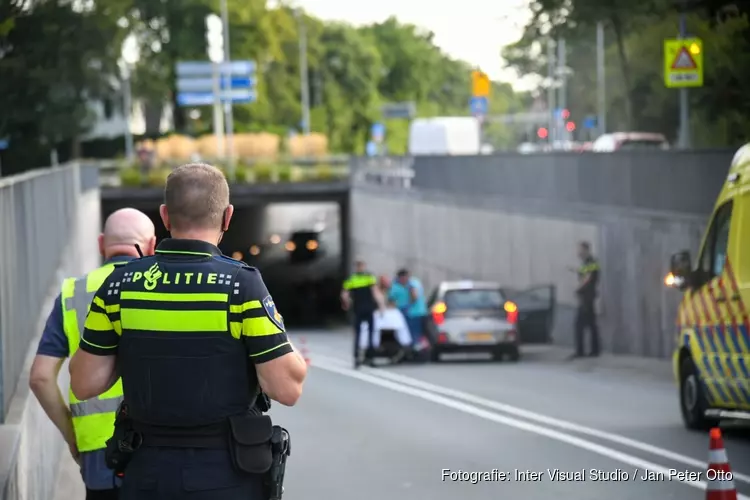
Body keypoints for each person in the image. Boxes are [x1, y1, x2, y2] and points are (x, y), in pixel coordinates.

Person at [69, 163, 308, 500]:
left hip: (145, 475)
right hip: (226, 476)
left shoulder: (120, 285)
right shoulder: (240, 285)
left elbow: (83, 383)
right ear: (227, 217)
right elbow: (286, 388)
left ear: (165, 216)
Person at [30, 208, 156, 500]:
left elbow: (40, 378)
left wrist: (72, 436)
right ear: (151, 245)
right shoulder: (162, 289)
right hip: (157, 445)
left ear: (101, 244)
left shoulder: (73, 293)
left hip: (99, 455)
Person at [341, 260, 384, 368]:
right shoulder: (369, 277)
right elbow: (376, 292)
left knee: (360, 334)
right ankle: (368, 358)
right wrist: (381, 305)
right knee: (368, 334)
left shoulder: (352, 278)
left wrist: (346, 303)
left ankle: (359, 358)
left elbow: (344, 294)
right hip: (366, 309)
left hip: (359, 309)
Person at [572, 241, 600, 358]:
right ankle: (595, 350)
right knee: (591, 324)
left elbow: (588, 277)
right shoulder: (587, 263)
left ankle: (581, 351)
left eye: (581, 250)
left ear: (586, 250)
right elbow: (585, 274)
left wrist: (578, 289)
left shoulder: (592, 262)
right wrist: (576, 271)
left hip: (587, 297)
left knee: (579, 324)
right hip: (587, 296)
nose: (579, 252)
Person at [388, 268, 428, 347]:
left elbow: (415, 296)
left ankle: (416, 347)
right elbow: (391, 299)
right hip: (404, 313)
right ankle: (411, 347)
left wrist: (407, 305)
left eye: (405, 278)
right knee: (407, 333)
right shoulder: (396, 285)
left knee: (415, 333)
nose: (403, 280)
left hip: (416, 313)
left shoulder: (413, 283)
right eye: (401, 279)